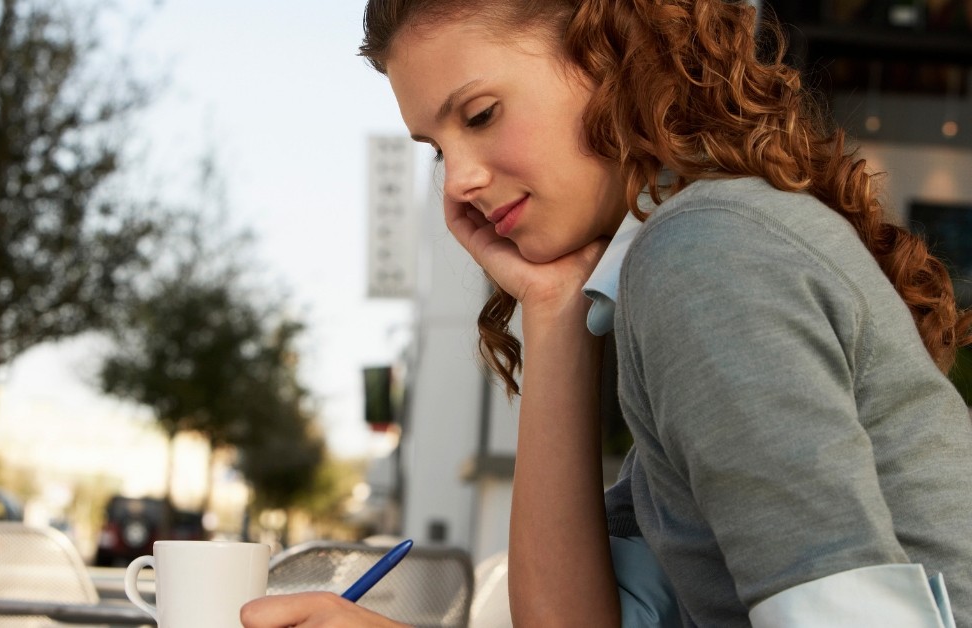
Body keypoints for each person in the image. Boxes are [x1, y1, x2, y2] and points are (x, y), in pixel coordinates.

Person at [241, 0, 972, 626]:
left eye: (481, 115)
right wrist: (553, 307)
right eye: (438, 149)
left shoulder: (705, 254)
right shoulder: (690, 249)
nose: (459, 180)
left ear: (614, 56)